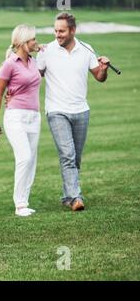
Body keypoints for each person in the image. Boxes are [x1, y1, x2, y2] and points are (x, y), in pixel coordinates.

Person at [35, 12, 110, 211]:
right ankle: (76, 198)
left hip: (81, 111)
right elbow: (33, 77)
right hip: (56, 111)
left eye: (62, 31)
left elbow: (99, 77)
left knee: (75, 158)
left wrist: (104, 68)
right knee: (67, 154)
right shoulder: (46, 51)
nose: (57, 34)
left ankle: (68, 195)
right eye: (55, 30)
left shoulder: (87, 49)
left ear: (73, 31)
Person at [0, 25, 41, 217]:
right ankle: (19, 205)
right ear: (23, 42)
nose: (36, 42)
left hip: (34, 117)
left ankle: (25, 201)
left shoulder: (34, 61)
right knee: (25, 157)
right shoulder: (9, 64)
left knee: (32, 161)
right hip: (15, 117)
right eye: (33, 40)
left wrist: (42, 48)